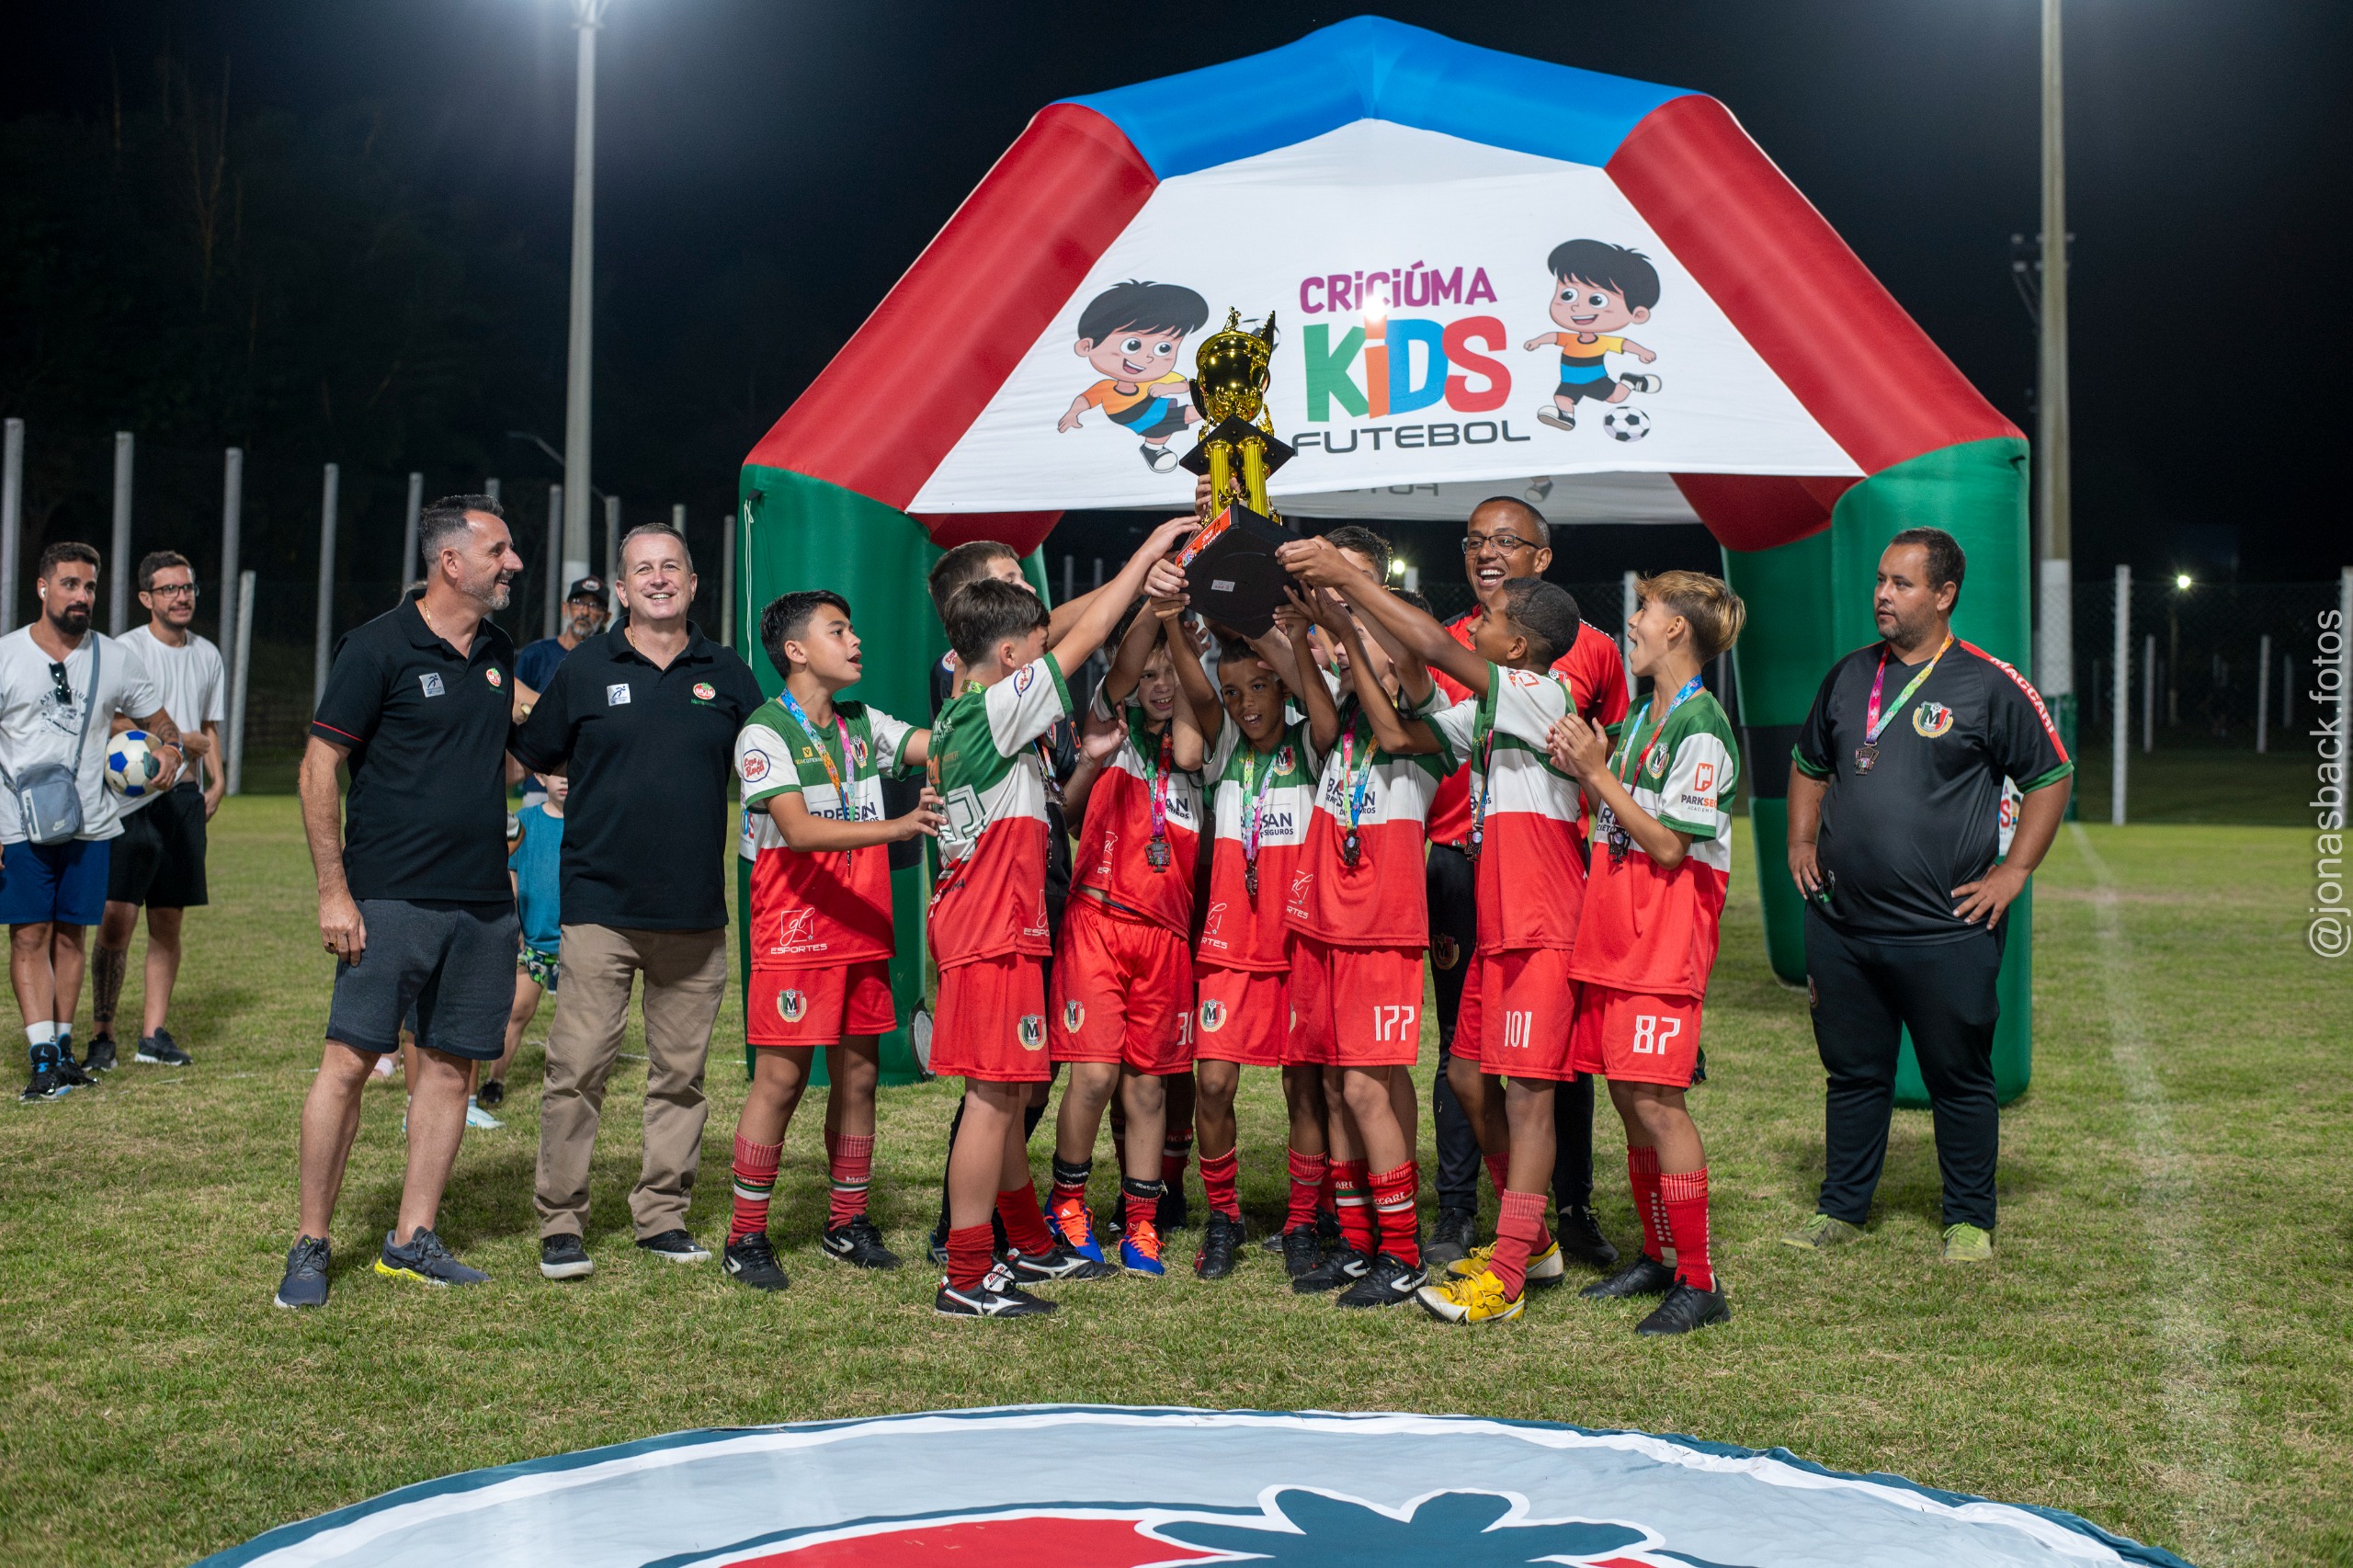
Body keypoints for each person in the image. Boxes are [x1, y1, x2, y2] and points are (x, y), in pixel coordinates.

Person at [1296, 557, 1593, 1327]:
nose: (1474, 626)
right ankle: (1533, 1242)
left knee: (1528, 1101)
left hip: (1542, 925)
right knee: (1466, 1080)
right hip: (1501, 926)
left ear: (1517, 647)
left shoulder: (1537, 692)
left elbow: (1430, 644)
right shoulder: (1493, 711)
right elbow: (1397, 732)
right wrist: (1348, 638)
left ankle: (1508, 1271)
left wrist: (1347, 584)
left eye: (1488, 620)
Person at [926, 517, 1195, 1318]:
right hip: (991, 930)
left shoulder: (967, 713)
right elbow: (1093, 631)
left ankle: (1026, 1243)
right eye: (1038, 648)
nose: (1051, 655)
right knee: (991, 1101)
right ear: (1011, 659)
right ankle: (966, 1275)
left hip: (994, 925)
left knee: (1009, 1095)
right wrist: (1147, 553)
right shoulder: (994, 707)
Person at [1782, 528, 2073, 1264]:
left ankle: (1969, 1218)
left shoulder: (1989, 683)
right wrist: (1801, 841)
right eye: (1881, 580)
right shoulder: (1849, 675)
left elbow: (2050, 776)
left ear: (1944, 595)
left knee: (1960, 1078)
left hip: (1945, 930)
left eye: (1901, 583)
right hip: (1843, 926)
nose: (1882, 594)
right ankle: (1842, 1208)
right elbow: (1809, 763)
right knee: (1853, 1074)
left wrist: (2013, 873)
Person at [274, 496, 525, 1308]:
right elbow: (318, 768)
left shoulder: (498, 650)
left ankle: (412, 1239)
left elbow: (498, 749)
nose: (513, 563)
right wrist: (334, 892)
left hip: (483, 904)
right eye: (499, 550)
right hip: (388, 898)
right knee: (348, 1065)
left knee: (451, 1069)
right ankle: (312, 1242)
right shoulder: (377, 646)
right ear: (451, 561)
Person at [513, 526, 765, 1281]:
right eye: (642, 570)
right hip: (599, 907)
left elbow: (769, 764)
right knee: (577, 1070)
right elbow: (534, 754)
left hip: (695, 913)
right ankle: (562, 1222)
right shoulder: (587, 667)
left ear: (693, 582)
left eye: (670, 567)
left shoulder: (728, 673)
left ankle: (661, 1216)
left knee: (680, 1079)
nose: (658, 579)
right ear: (621, 589)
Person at [1423, 496, 1627, 1270]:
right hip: (1478, 890)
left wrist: (1353, 585)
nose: (1485, 551)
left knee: (1541, 1082)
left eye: (1504, 540)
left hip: (1544, 903)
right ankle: (1506, 1225)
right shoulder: (1477, 670)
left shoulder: (1552, 674)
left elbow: (1607, 752)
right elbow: (1413, 727)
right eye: (1474, 539)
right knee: (1466, 1070)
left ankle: (1528, 1244)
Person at [720, 590, 940, 1292]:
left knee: (860, 1077)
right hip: (794, 931)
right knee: (781, 1081)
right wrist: (899, 826)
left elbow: (936, 745)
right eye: (838, 631)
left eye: (852, 629)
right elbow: (798, 830)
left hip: (862, 926)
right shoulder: (764, 731)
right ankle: (745, 1237)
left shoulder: (860, 724)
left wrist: (976, 682)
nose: (855, 641)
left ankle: (846, 1223)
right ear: (795, 651)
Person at [1551, 571, 1746, 1335]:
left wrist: (1597, 773)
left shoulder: (1703, 726)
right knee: (1630, 1100)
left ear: (1676, 630)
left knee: (1661, 1104)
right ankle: (1660, 1256)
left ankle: (1700, 1281)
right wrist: (1584, 768)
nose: (1632, 623)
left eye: (1644, 612)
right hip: (1615, 935)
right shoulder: (1639, 719)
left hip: (1665, 942)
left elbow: (1668, 845)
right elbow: (1621, 814)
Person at [1269, 543, 1449, 1311]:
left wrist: (1347, 627)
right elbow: (1313, 695)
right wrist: (1303, 635)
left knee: (1366, 1090)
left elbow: (1404, 677)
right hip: (1325, 925)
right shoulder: (1345, 724)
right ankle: (1355, 1238)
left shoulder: (1425, 713)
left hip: (1381, 929)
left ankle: (1402, 1253)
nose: (1346, 646)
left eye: (1363, 635)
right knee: (1341, 1088)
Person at [1043, 600, 1207, 1278]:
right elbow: (1071, 813)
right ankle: (1066, 1204)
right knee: (1094, 1076)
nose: (1160, 685)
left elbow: (1191, 745)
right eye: (1150, 676)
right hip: (1099, 920)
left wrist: (1180, 641)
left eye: (1171, 673)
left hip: (1166, 936)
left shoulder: (1201, 741)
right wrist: (1159, 609)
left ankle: (1141, 1221)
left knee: (1147, 1089)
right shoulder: (1112, 722)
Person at [4, 544, 180, 1102]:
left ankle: (63, 1052)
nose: (82, 596)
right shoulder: (7, 655)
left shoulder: (114, 658)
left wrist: (171, 749)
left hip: (90, 823)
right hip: (18, 822)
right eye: (70, 584)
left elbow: (161, 721)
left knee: (71, 937)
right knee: (29, 934)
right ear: (43, 588)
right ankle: (42, 1060)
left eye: (90, 587)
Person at [1189, 619, 1324, 1279]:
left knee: (1304, 1089)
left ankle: (1302, 1221)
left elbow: (1311, 687)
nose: (1246, 704)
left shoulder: (1314, 744)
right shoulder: (1222, 752)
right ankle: (1224, 1217)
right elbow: (1199, 693)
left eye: (1259, 687)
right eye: (1233, 692)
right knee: (1213, 1083)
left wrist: (1275, 630)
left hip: (1299, 945)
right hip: (1231, 945)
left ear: (1284, 688)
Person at [90, 551, 224, 1072]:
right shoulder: (125, 650)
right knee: (116, 921)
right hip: (131, 800)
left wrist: (218, 781)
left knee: (168, 922)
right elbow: (112, 720)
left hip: (185, 800)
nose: (182, 597)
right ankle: (102, 1035)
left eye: (187, 588)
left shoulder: (208, 654)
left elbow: (209, 728)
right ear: (147, 597)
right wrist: (176, 742)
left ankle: (153, 1034)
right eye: (169, 589)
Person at [486, 768, 568, 1115]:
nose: (565, 780)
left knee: (577, 1020)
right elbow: (511, 874)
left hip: (575, 944)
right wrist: (514, 923)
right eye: (557, 773)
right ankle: (495, 1079)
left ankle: (580, 1081)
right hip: (532, 942)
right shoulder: (525, 821)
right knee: (517, 1011)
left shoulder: (588, 822)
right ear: (540, 777)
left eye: (572, 772)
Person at [514, 577, 608, 708]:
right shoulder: (536, 654)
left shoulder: (608, 663)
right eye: (578, 602)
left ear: (606, 618)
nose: (585, 612)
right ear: (565, 608)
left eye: (594, 606)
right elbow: (513, 700)